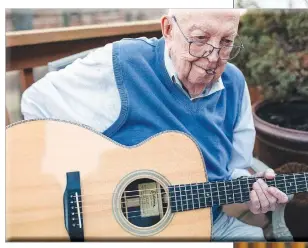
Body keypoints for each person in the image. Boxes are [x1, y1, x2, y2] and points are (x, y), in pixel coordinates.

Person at [21, 9, 288, 241]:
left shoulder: (235, 84)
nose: (213, 56)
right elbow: (36, 103)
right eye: (200, 39)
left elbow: (234, 169)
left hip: (207, 224)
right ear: (169, 29)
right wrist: (91, 181)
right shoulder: (124, 63)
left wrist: (253, 191)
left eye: (226, 42)